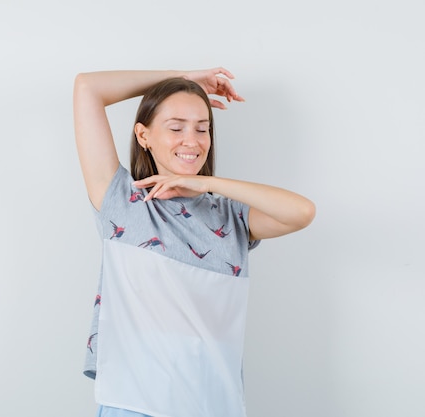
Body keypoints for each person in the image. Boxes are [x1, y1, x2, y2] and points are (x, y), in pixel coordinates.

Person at [73, 67, 315, 417]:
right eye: (176, 127)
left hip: (214, 405)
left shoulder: (230, 218)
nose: (193, 140)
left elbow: (302, 212)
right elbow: (87, 87)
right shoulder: (124, 202)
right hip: (136, 403)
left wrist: (207, 184)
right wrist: (183, 78)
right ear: (144, 135)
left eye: (203, 128)